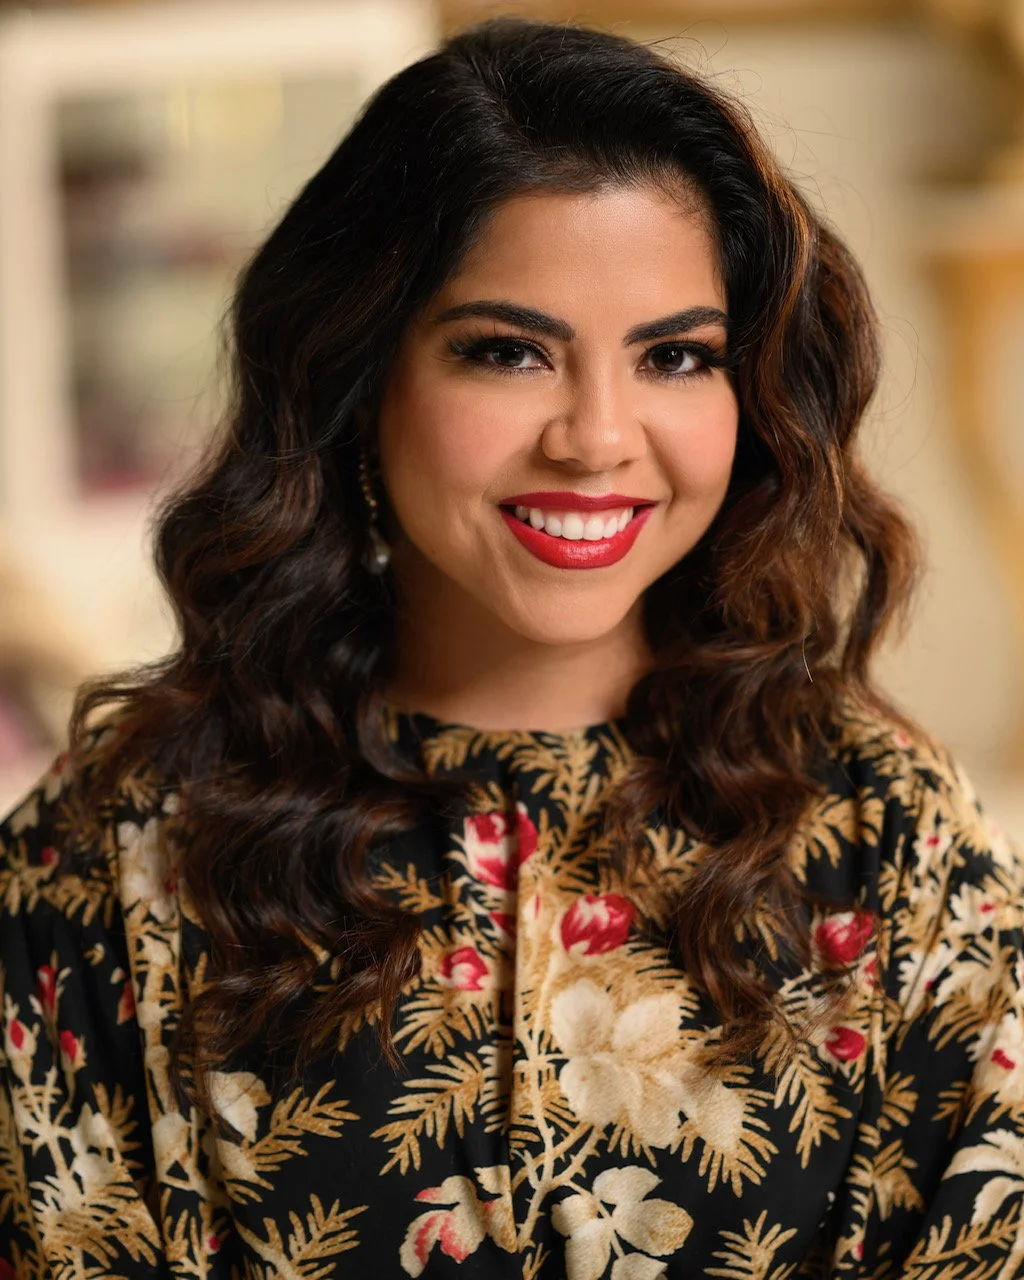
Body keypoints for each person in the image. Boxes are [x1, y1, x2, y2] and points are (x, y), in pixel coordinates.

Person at [1, 16, 1022, 1279]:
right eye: (508, 351)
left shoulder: (888, 832)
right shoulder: (119, 844)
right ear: (358, 370)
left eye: (675, 356)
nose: (597, 437)